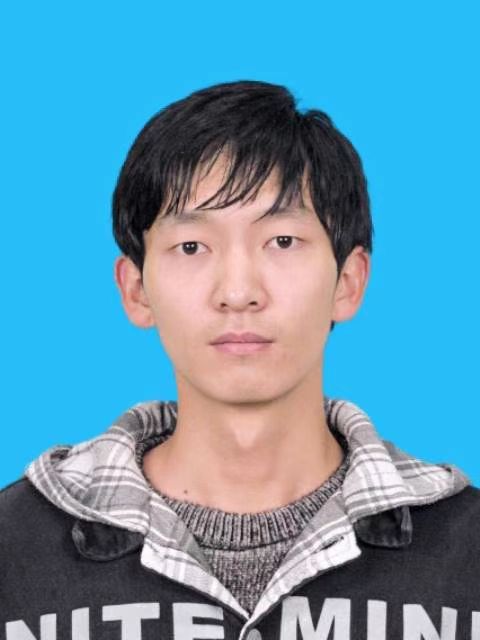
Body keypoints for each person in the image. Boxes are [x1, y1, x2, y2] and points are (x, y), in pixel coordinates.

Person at [0, 80, 478, 639]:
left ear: (348, 282)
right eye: (191, 247)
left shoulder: (467, 551)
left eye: (282, 241)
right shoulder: (14, 546)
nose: (238, 292)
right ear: (136, 290)